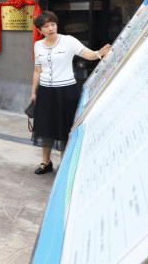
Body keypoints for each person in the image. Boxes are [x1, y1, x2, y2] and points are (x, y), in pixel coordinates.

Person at [30, 11, 111, 174]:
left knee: (64, 127)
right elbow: (37, 70)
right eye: (46, 26)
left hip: (66, 91)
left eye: (53, 24)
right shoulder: (38, 45)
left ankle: (64, 164)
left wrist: (98, 53)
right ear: (40, 30)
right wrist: (34, 92)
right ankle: (46, 163)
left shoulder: (68, 41)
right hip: (45, 91)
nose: (51, 28)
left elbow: (86, 53)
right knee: (46, 127)